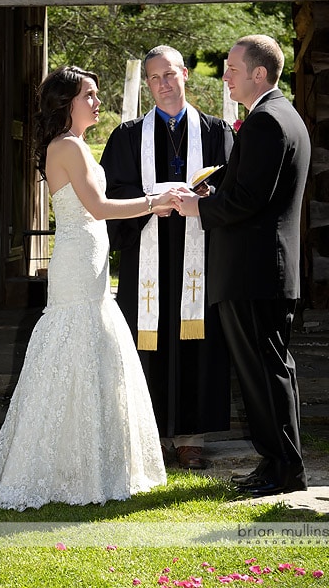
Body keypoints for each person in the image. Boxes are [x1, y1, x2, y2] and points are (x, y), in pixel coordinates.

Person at [0, 65, 176, 510]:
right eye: (90, 95)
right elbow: (98, 207)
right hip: (77, 261)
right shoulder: (66, 146)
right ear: (67, 102)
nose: (97, 102)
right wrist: (154, 203)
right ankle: (64, 466)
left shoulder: (75, 145)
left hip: (88, 256)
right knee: (74, 342)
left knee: (94, 343)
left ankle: (93, 460)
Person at [175, 35, 311, 497]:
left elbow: (251, 201)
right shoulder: (280, 115)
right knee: (267, 370)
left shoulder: (267, 122)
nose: (225, 75)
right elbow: (254, 194)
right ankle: (275, 463)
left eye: (232, 68)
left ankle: (283, 471)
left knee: (265, 372)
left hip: (255, 271)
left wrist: (196, 209)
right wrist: (214, 196)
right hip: (262, 268)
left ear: (258, 73)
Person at [100, 45, 233, 469]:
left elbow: (234, 191)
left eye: (170, 75)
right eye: (154, 78)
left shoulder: (215, 132)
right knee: (147, 340)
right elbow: (109, 196)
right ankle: (146, 433)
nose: (163, 85)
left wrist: (208, 196)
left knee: (196, 340)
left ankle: (191, 437)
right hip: (147, 256)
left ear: (185, 75)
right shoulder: (126, 136)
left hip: (199, 255)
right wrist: (152, 200)